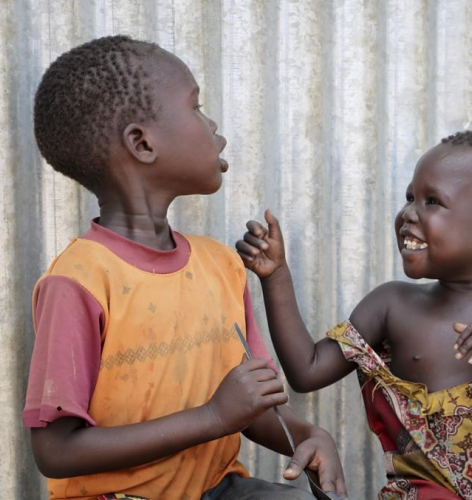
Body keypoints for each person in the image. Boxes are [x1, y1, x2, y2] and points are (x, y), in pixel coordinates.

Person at [23, 35, 346, 500]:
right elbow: (56, 451)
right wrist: (212, 418)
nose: (215, 126)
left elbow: (247, 406)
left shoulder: (219, 265)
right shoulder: (79, 279)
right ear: (142, 143)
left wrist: (310, 435)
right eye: (197, 107)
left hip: (218, 489)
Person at [237, 131, 472, 499]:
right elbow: (307, 369)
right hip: (430, 491)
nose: (408, 213)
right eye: (410, 198)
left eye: (432, 201)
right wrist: (276, 275)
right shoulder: (393, 305)